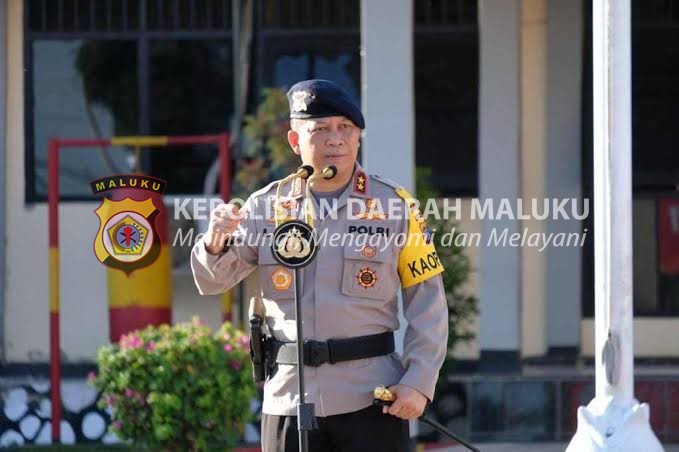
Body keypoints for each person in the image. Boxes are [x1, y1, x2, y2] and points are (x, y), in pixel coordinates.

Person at [191, 79, 448, 452]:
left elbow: (429, 304)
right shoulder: (267, 206)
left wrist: (419, 381)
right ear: (296, 141)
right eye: (320, 129)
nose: (335, 140)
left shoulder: (394, 205)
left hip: (372, 400)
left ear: (359, 136)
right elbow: (214, 281)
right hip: (289, 401)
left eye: (346, 128)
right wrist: (215, 242)